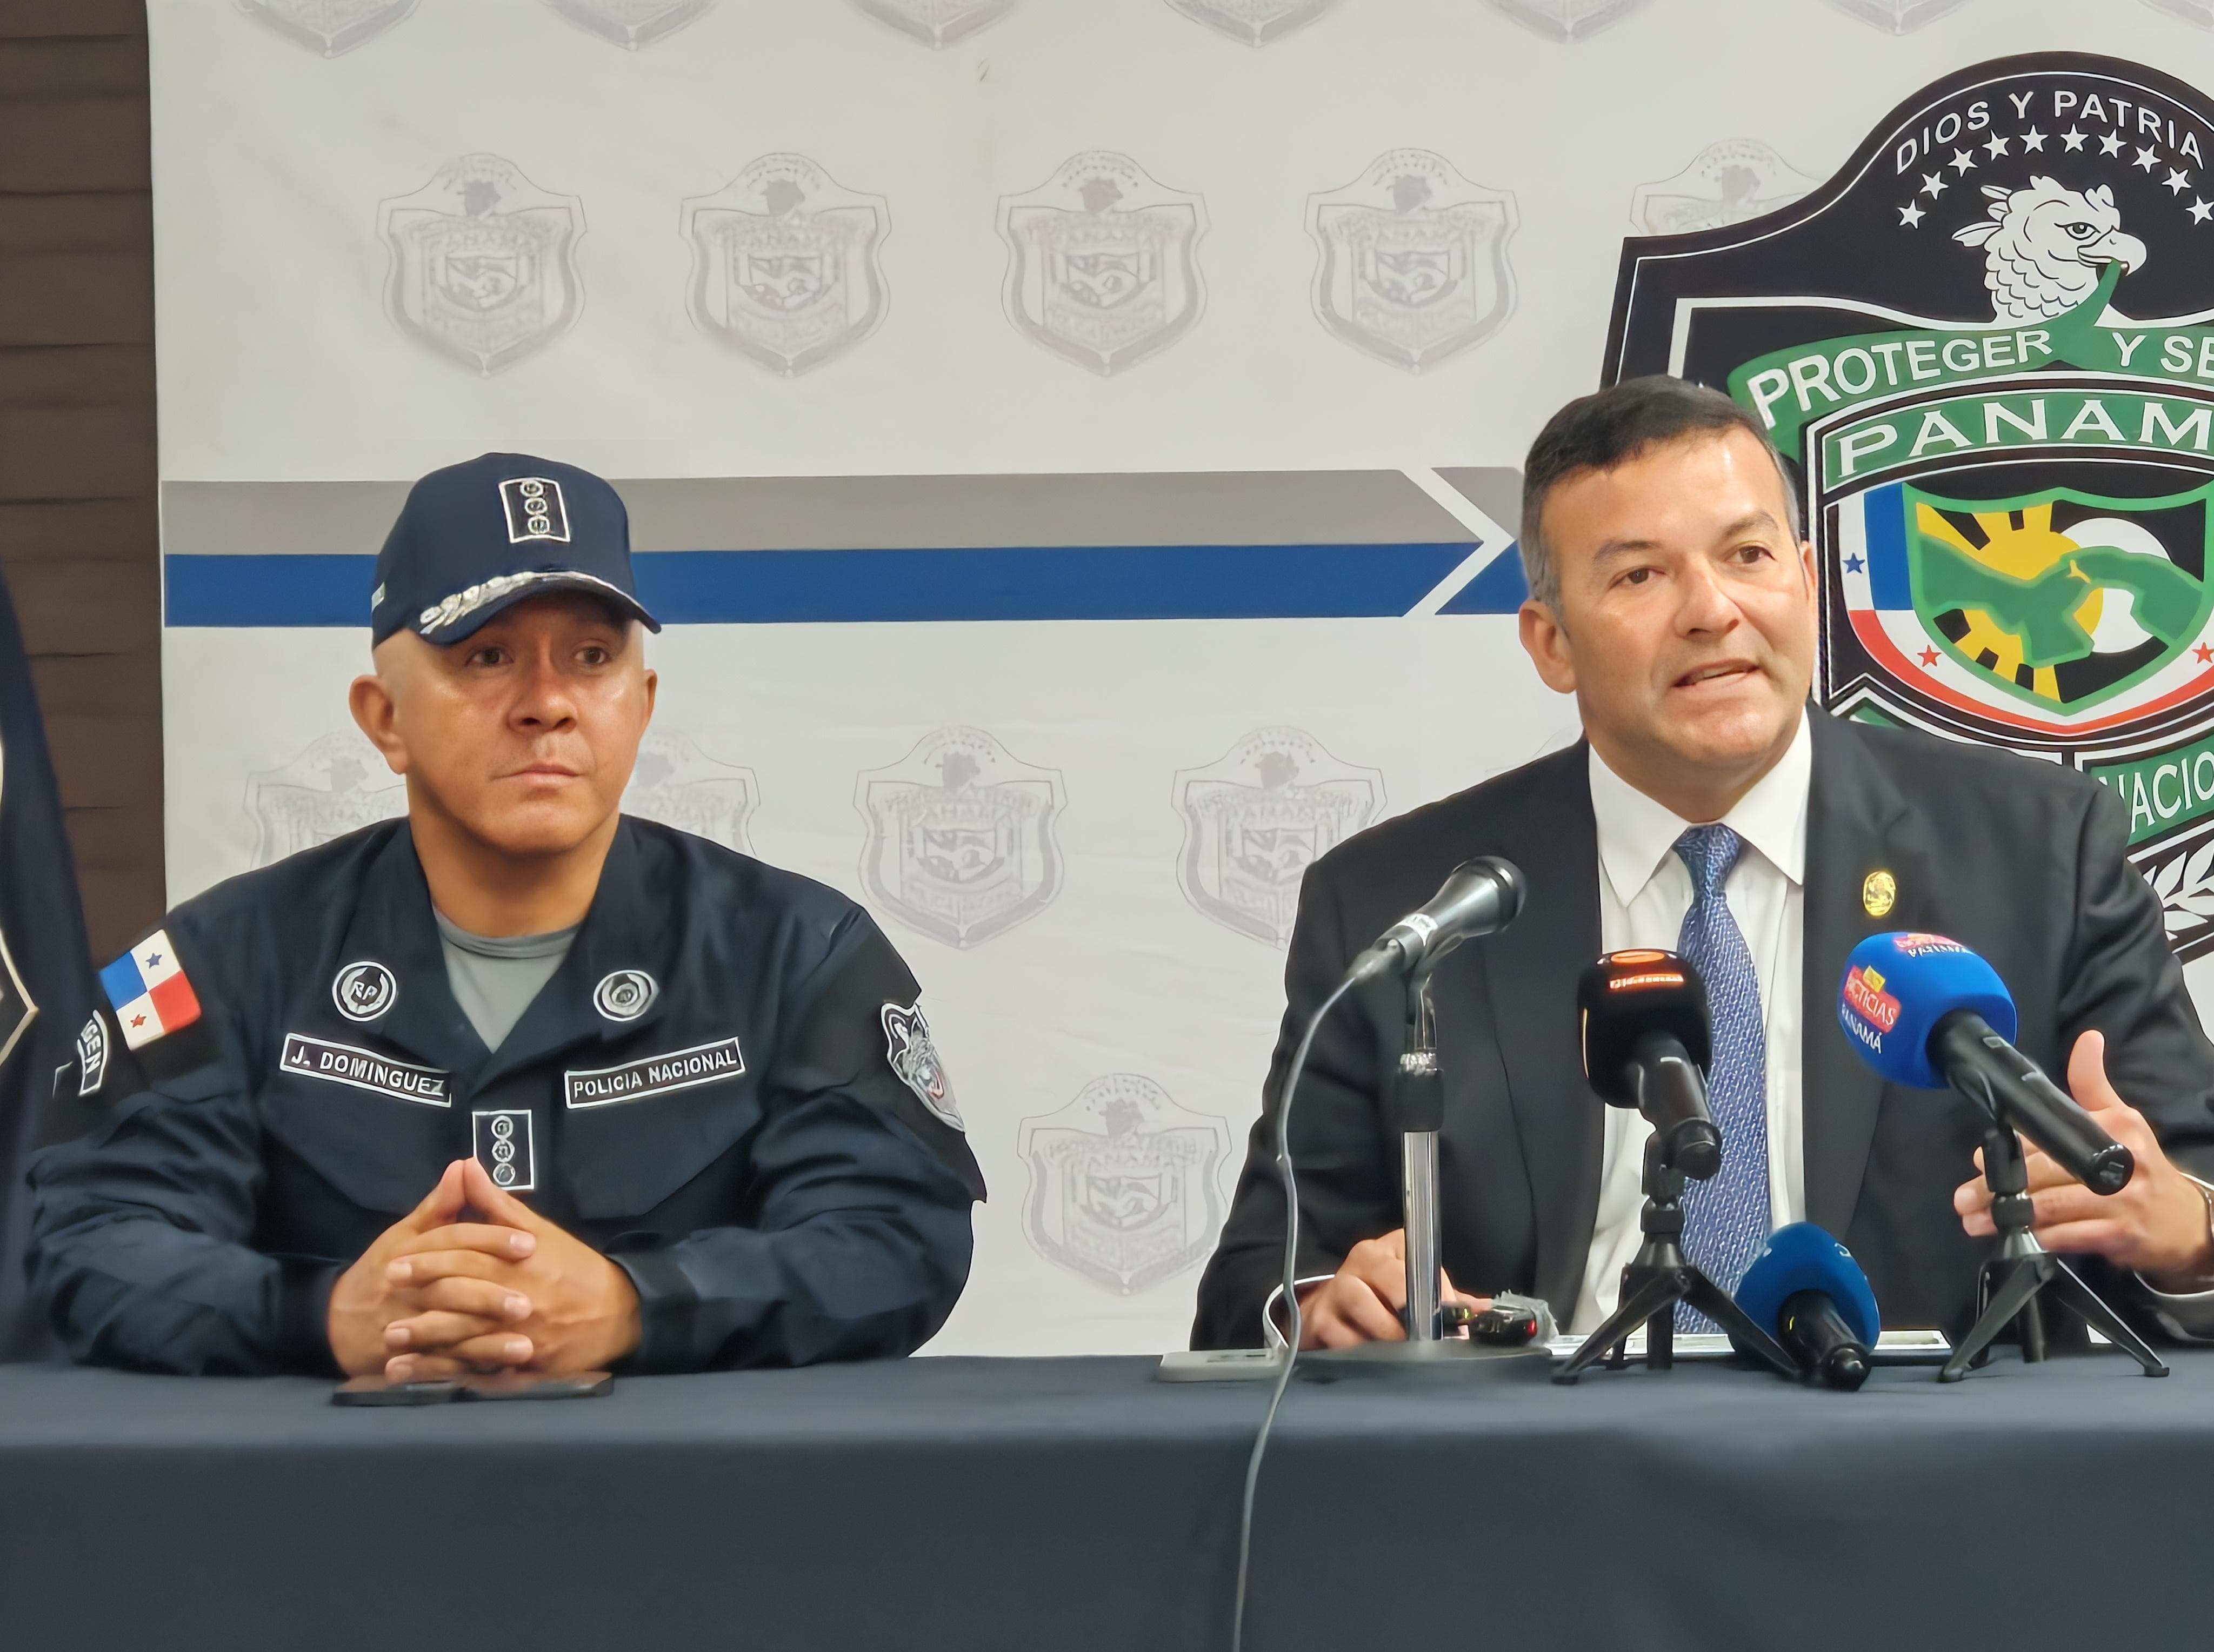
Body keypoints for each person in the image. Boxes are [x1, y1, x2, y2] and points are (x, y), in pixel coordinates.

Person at [1192, 378, 2214, 1352]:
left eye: (1748, 555)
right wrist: (1327, 1302)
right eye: (1639, 574)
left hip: (1923, 1449)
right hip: (1535, 1449)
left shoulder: (2038, 854)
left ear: (1807, 580)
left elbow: (2188, 1193)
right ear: (1551, 643)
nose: (1711, 610)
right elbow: (1258, 1285)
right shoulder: (1401, 904)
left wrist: (2183, 1233)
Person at [30, 453, 983, 1377]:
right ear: (384, 718)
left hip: (688, 1487)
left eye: (592, 657)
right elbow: (91, 1234)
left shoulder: (802, 953)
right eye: (487, 656)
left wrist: (637, 1305)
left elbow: (898, 1237)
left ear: (642, 704)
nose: (548, 704)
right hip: (336, 1485)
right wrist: (325, 1315)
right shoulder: (205, 964)